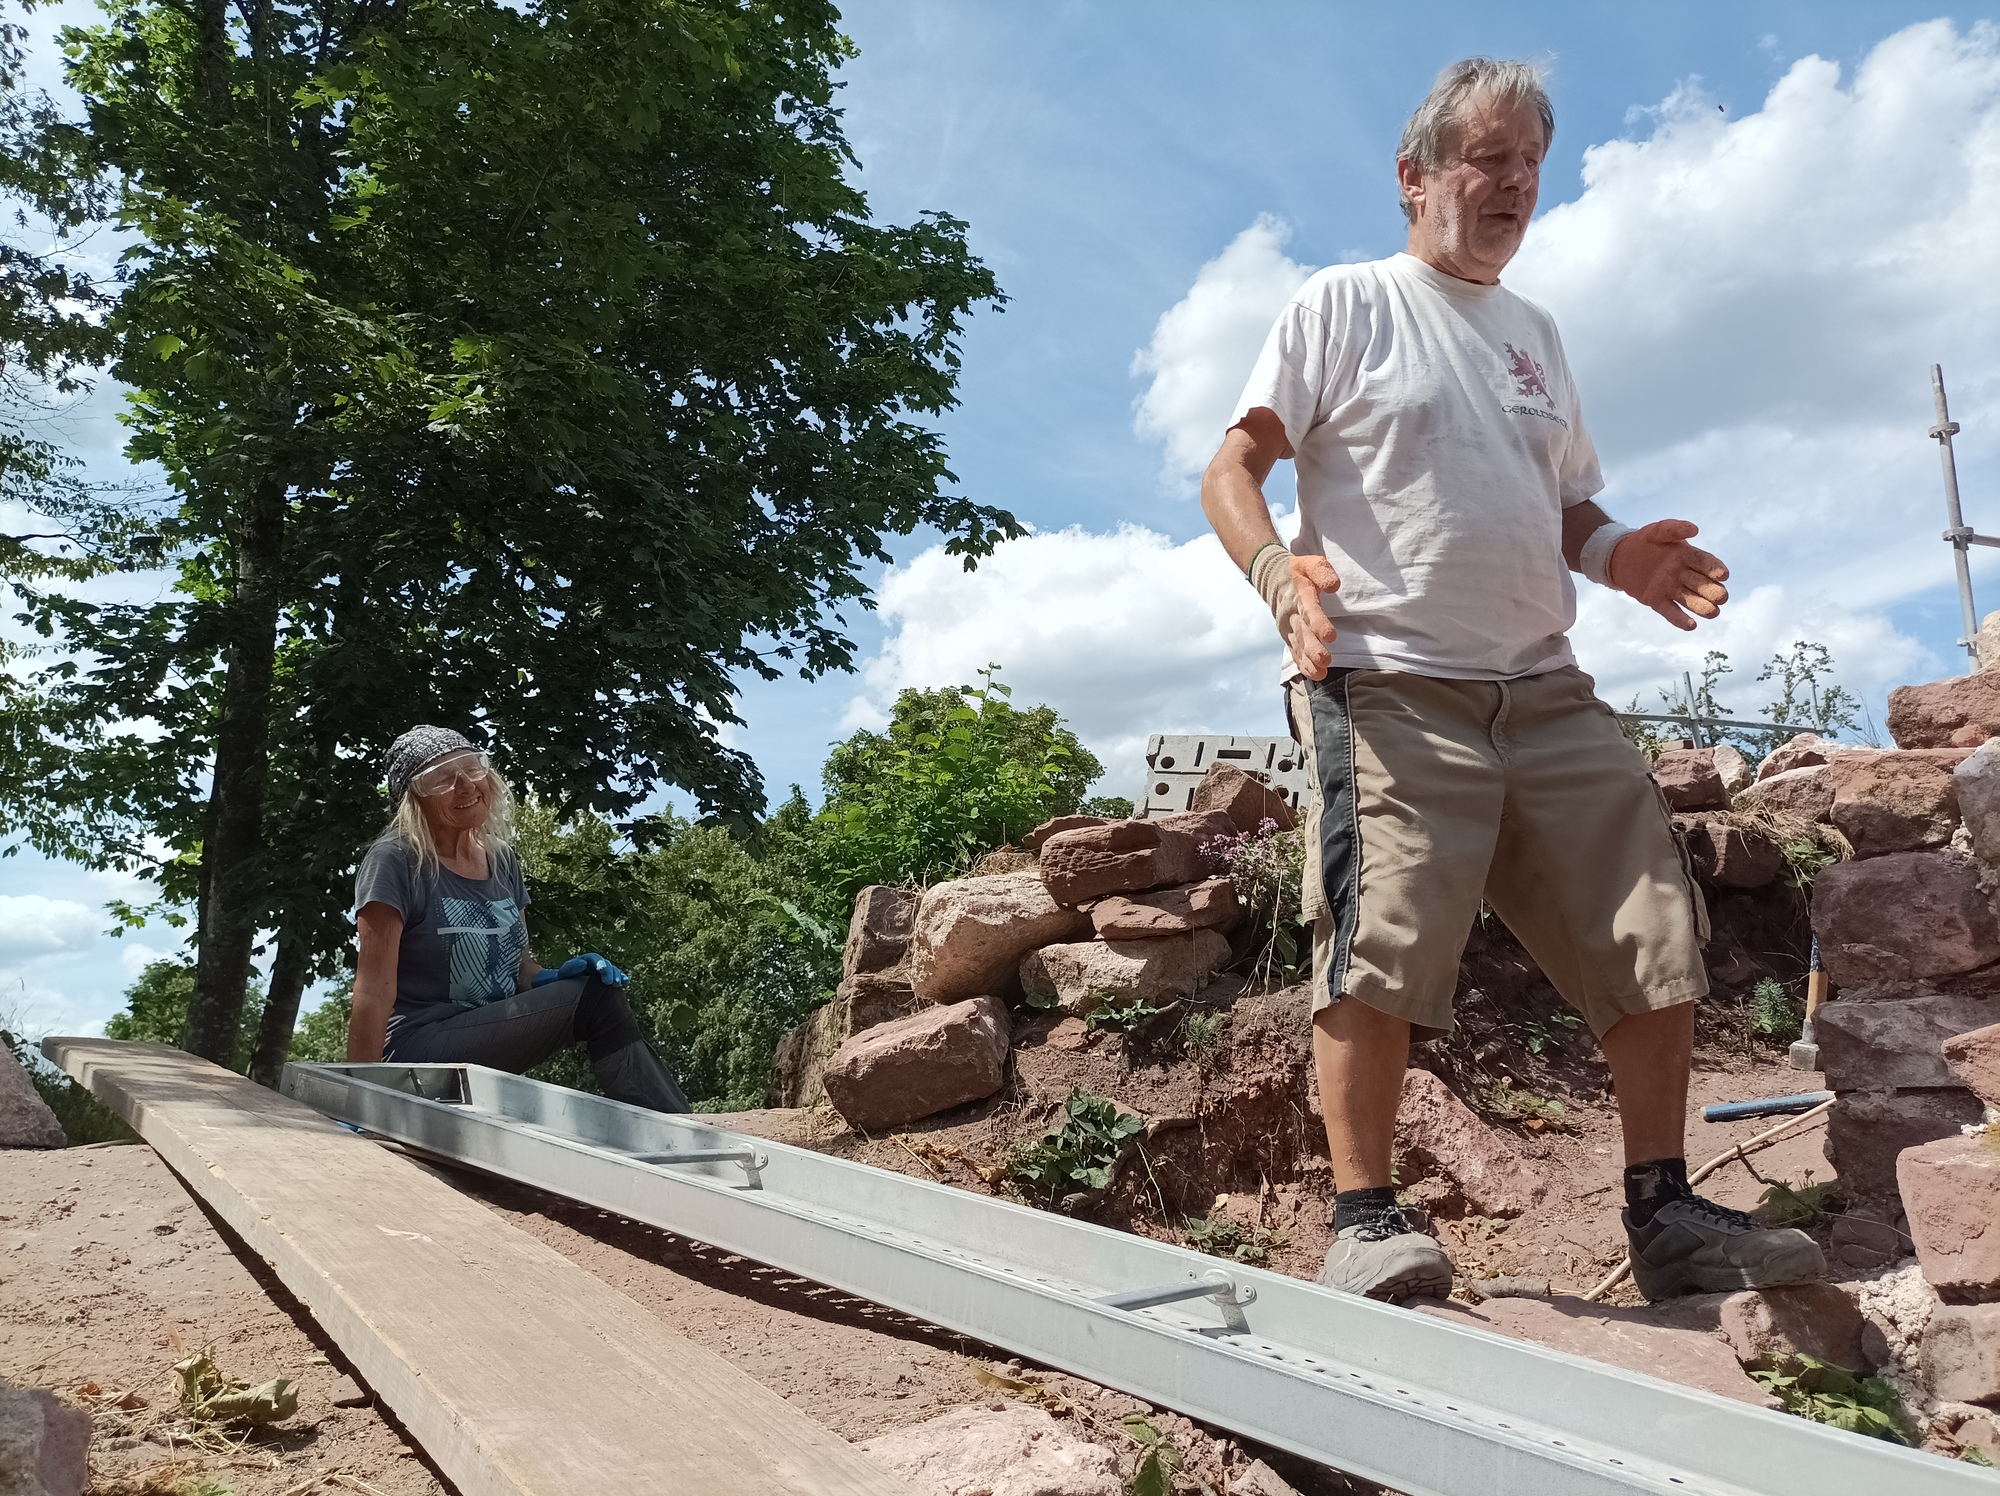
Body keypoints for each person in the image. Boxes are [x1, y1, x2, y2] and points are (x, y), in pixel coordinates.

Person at [1200, 58, 1823, 1303]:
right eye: (1488, 158)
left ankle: (1663, 1213)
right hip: (1386, 681)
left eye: (1531, 164)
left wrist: (1619, 554)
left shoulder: (1534, 335)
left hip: (1542, 687)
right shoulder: (1343, 303)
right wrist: (1274, 572)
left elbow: (1562, 505)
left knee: (1649, 918)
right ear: (1412, 175)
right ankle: (1365, 1220)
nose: (1515, 184)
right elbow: (1230, 469)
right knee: (1375, 935)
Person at [346, 724, 691, 1113]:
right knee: (595, 999)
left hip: (483, 1038)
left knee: (595, 988)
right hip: (415, 1054)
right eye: (441, 778)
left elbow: (520, 969)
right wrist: (360, 1093)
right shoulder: (395, 861)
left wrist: (552, 977)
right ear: (413, 799)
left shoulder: (501, 859)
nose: (465, 785)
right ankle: (675, 1128)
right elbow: (373, 991)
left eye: (472, 768)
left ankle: (665, 1123)